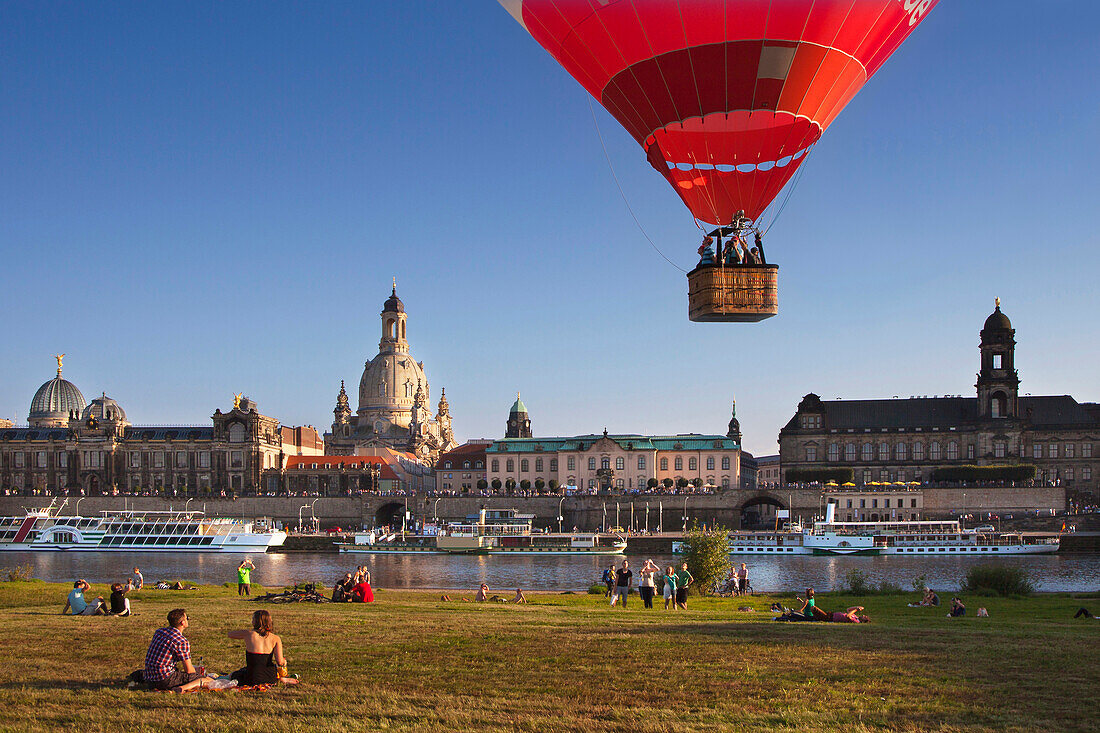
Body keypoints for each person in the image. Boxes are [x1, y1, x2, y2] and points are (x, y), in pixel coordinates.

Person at [143, 608, 212, 692]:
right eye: (187, 618)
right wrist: (197, 674)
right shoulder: (181, 641)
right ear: (182, 622)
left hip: (149, 677)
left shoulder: (159, 632)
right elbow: (189, 670)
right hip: (165, 679)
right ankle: (181, 688)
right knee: (208, 680)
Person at [227, 610, 299, 686]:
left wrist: (244, 632)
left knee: (235, 674)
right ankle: (280, 679)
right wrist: (284, 662)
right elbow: (280, 662)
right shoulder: (276, 638)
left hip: (251, 677)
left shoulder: (248, 634)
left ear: (255, 622)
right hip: (270, 676)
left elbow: (230, 634)